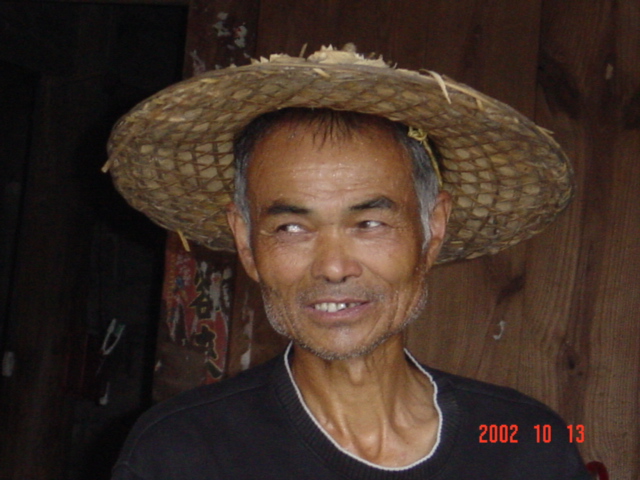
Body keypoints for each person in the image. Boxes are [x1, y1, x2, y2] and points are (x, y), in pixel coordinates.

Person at [106, 47, 589, 479]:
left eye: (370, 224)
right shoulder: (184, 453)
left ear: (433, 230)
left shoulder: (520, 441)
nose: (334, 268)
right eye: (292, 228)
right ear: (247, 243)